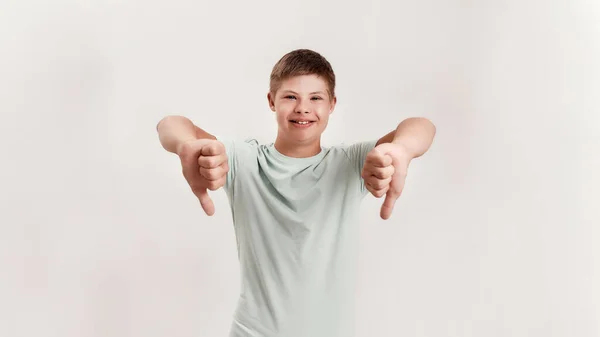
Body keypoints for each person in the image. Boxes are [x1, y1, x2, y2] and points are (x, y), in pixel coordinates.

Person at [156, 49, 436, 337]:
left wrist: (402, 149)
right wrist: (186, 144)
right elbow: (171, 124)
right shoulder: (244, 161)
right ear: (271, 101)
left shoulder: (351, 164)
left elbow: (422, 126)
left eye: (316, 98)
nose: (303, 108)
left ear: (332, 105)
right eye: (291, 97)